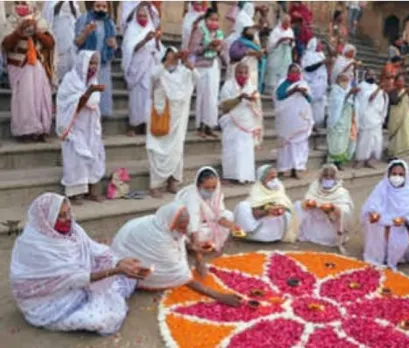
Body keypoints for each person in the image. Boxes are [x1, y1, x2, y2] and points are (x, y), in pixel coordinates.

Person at [10, 193, 151, 335]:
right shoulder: (36, 245)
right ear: (46, 220)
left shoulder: (74, 230)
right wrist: (115, 271)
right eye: (61, 216)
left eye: (68, 212)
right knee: (102, 320)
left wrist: (119, 262)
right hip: (52, 300)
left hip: (81, 281)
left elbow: (94, 249)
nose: (68, 219)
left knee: (127, 275)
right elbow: (74, 279)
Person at [111, 202, 243, 306]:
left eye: (186, 225)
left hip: (134, 246)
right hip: (127, 263)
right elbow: (180, 275)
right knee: (170, 271)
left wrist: (197, 255)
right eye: (181, 227)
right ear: (172, 223)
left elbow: (181, 237)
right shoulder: (159, 238)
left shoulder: (162, 221)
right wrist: (218, 295)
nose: (184, 230)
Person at [147, 47, 199, 198]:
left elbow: (197, 79)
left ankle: (173, 181)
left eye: (176, 55)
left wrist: (189, 64)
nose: (174, 57)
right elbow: (153, 77)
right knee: (157, 151)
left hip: (178, 120)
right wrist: (168, 62)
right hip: (160, 116)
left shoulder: (184, 72)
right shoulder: (159, 70)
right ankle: (155, 185)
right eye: (170, 55)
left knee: (176, 151)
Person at [56, 51, 105, 205]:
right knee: (76, 158)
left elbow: (94, 105)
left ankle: (91, 188)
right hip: (74, 127)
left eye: (96, 63)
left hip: (90, 126)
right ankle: (75, 192)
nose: (93, 67)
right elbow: (73, 106)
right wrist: (90, 91)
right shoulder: (71, 80)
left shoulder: (93, 80)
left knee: (93, 155)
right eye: (91, 63)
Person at [2, 1, 55, 143]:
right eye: (17, 3)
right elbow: (5, 45)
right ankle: (25, 131)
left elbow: (50, 44)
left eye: (24, 3)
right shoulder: (10, 21)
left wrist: (37, 31)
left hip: (37, 64)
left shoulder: (40, 19)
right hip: (18, 65)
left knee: (40, 97)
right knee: (24, 98)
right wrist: (18, 32)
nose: (21, 5)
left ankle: (41, 130)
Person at [361, 160, 409, 269]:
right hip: (383, 222)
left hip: (402, 225)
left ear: (406, 176)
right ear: (388, 174)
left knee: (396, 233)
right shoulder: (382, 187)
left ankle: (398, 256)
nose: (397, 177)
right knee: (379, 226)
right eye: (394, 174)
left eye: (400, 175)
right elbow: (371, 206)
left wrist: (405, 220)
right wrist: (374, 214)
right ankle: (379, 255)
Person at [121, 3, 163, 136]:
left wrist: (156, 41)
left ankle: (146, 124)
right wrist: (144, 40)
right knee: (136, 98)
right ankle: (133, 125)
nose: (143, 18)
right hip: (137, 68)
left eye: (145, 16)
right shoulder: (132, 29)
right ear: (135, 16)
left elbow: (159, 51)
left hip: (149, 67)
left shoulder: (151, 28)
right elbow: (129, 49)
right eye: (140, 16)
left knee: (148, 98)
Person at [174, 167, 237, 252]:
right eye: (207, 187)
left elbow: (219, 216)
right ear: (198, 185)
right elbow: (193, 221)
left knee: (229, 215)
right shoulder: (192, 196)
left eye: (213, 187)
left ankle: (212, 242)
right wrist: (195, 242)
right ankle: (192, 245)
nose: (211, 190)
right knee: (197, 233)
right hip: (191, 226)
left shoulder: (217, 193)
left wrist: (233, 227)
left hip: (207, 223)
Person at [219, 63, 262, 184]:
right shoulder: (228, 86)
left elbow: (257, 107)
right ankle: (230, 175)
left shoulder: (251, 87)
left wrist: (253, 100)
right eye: (240, 72)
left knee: (245, 151)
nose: (243, 75)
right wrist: (239, 98)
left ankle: (245, 176)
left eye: (245, 73)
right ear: (235, 73)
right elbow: (224, 107)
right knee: (232, 150)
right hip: (232, 121)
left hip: (248, 123)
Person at [296, 164, 354, 251]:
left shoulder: (341, 191)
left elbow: (346, 210)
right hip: (314, 217)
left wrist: (333, 208)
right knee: (297, 205)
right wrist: (310, 203)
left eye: (331, 176)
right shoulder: (315, 185)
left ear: (335, 177)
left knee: (330, 237)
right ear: (321, 176)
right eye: (326, 176)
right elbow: (307, 199)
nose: (328, 178)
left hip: (329, 220)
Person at [234, 164, 298, 242]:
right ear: (262, 179)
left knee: (287, 215)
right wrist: (267, 211)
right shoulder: (256, 190)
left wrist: (279, 209)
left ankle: (274, 236)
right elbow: (255, 213)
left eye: (276, 177)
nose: (275, 180)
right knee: (242, 206)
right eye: (271, 178)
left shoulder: (279, 188)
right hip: (259, 223)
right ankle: (249, 235)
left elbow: (286, 205)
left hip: (274, 224)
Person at [75, 1, 117, 118]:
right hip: (87, 64)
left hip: (103, 64)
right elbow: (77, 42)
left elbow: (113, 45)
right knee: (86, 94)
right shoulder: (84, 19)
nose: (101, 9)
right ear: (92, 7)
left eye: (104, 7)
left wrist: (114, 45)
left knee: (101, 95)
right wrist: (86, 32)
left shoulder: (110, 23)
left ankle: (97, 126)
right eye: (98, 6)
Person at [274, 63, 314, 179]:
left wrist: (303, 92)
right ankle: (284, 167)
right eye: (292, 71)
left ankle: (298, 167)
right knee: (286, 142)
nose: (294, 74)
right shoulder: (282, 83)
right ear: (288, 72)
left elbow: (310, 99)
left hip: (299, 119)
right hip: (286, 118)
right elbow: (279, 96)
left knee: (299, 142)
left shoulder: (303, 83)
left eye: (297, 72)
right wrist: (293, 91)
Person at [190, 8, 225, 139]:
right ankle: (200, 126)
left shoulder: (219, 33)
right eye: (211, 19)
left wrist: (219, 49)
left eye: (216, 20)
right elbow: (193, 49)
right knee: (202, 96)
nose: (214, 22)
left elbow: (223, 51)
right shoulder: (200, 31)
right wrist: (207, 46)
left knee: (212, 97)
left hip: (214, 65)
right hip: (202, 66)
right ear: (206, 19)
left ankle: (210, 125)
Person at [353, 69, 389, 169]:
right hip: (365, 116)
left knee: (375, 141)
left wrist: (383, 93)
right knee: (364, 139)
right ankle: (360, 160)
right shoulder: (361, 86)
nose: (372, 77)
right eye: (370, 75)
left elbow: (382, 101)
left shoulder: (376, 87)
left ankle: (369, 160)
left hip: (376, 117)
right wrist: (379, 90)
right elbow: (369, 99)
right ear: (365, 76)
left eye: (374, 75)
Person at [42, 1, 80, 82]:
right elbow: (52, 13)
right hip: (58, 29)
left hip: (71, 29)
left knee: (72, 58)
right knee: (60, 60)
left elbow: (76, 14)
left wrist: (70, 3)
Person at [327, 73, 359, 167]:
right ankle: (334, 161)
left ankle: (340, 162)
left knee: (344, 142)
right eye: (343, 80)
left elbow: (352, 104)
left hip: (346, 120)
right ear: (338, 81)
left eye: (346, 80)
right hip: (337, 121)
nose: (345, 83)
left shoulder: (347, 90)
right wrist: (349, 93)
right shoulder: (335, 90)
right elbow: (337, 104)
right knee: (337, 142)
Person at [301, 37, 328, 130]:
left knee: (319, 105)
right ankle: (309, 123)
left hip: (320, 84)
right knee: (311, 103)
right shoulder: (308, 55)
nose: (320, 46)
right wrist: (321, 63)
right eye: (319, 44)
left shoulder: (321, 54)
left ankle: (317, 123)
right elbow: (308, 68)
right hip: (311, 83)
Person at [388, 74, 409, 157]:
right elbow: (394, 101)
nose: (401, 82)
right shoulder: (392, 91)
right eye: (399, 81)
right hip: (395, 116)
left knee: (405, 134)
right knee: (396, 136)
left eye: (402, 81)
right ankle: (393, 154)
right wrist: (405, 93)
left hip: (405, 116)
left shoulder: (406, 91)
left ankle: (402, 153)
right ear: (395, 82)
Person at [264, 14, 294, 94]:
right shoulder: (276, 31)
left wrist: (291, 42)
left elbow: (292, 45)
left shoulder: (290, 31)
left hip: (286, 54)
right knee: (273, 70)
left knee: (284, 71)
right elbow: (271, 44)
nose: (288, 25)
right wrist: (280, 40)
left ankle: (282, 88)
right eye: (286, 23)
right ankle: (271, 89)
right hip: (276, 54)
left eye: (289, 23)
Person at [229, 25, 265, 89]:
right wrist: (247, 53)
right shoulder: (239, 42)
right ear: (244, 33)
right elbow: (233, 54)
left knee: (251, 87)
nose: (252, 32)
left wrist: (260, 55)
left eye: (253, 30)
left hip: (252, 69)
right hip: (241, 68)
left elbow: (260, 57)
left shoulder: (255, 44)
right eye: (249, 30)